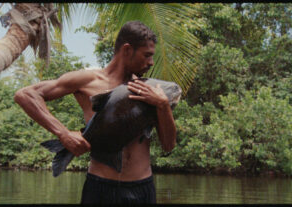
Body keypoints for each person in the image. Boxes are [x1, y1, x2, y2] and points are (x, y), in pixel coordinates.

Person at [14, 21, 176, 204]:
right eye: (146, 55)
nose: (151, 62)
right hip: (100, 187)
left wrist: (163, 106)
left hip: (142, 188)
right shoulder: (88, 80)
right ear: (127, 50)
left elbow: (169, 145)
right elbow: (25, 95)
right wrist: (63, 133)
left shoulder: (150, 90)